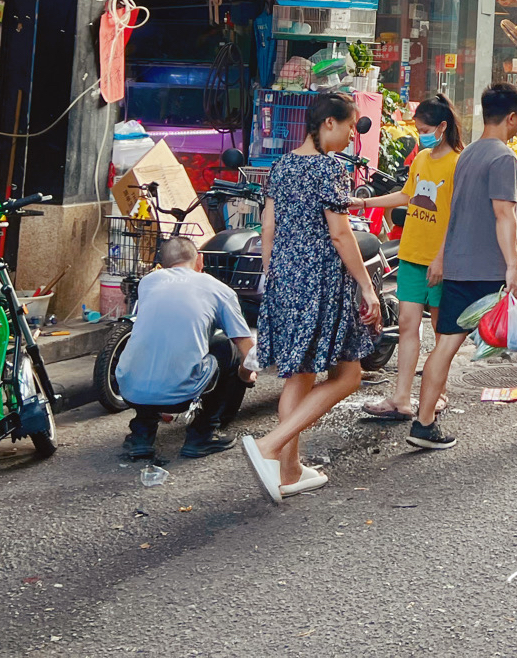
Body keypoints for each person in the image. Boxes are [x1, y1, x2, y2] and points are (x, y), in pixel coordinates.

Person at [408, 84, 517, 450]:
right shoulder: (504, 157)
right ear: (513, 118)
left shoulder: (467, 154)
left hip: (458, 266)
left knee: (446, 345)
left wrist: (443, 256)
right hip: (491, 271)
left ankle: (423, 423)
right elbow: (505, 214)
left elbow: (454, 212)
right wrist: (513, 267)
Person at [242, 91, 383, 502]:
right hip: (319, 279)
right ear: (328, 124)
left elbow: (267, 224)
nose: (351, 138)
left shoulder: (283, 165)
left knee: (299, 375)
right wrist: (367, 286)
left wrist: (274, 272)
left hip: (284, 276)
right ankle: (271, 446)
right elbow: (341, 234)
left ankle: (289, 472)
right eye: (349, 128)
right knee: (349, 375)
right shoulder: (328, 170)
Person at [355, 94, 461, 422]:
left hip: (441, 261)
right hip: (413, 254)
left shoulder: (458, 163)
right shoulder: (423, 158)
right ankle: (401, 398)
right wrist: (362, 204)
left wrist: (441, 259)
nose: (421, 134)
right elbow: (407, 194)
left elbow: (457, 215)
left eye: (426, 129)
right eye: (418, 129)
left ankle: (437, 393)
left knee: (443, 332)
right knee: (406, 325)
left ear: (443, 126)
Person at [116, 236, 256, 460]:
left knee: (153, 347)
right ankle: (202, 435)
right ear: (199, 260)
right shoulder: (218, 289)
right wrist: (247, 375)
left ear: (163, 263)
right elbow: (247, 350)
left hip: (130, 390)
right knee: (227, 348)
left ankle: (141, 436)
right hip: (180, 396)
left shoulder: (149, 282)